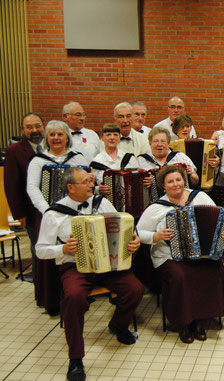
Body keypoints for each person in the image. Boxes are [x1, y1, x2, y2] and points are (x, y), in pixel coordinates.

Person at [35, 167, 144, 381]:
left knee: (135, 289)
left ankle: (118, 325)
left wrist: (134, 240)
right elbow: (40, 250)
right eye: (86, 182)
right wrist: (62, 249)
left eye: (91, 181)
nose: (92, 185)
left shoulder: (101, 203)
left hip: (107, 265)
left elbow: (123, 227)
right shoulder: (54, 214)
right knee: (74, 298)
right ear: (70, 187)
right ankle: (76, 358)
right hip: (75, 266)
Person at [136, 165, 224, 343]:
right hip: (169, 255)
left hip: (202, 254)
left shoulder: (200, 197)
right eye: (170, 182)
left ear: (184, 180)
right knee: (180, 276)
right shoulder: (156, 207)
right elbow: (139, 233)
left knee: (215, 269)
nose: (176, 184)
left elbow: (219, 220)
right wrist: (156, 236)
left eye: (178, 180)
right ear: (163, 186)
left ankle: (200, 320)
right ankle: (183, 323)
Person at [27, 120, 90, 315]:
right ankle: (53, 301)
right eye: (52, 135)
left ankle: (79, 294)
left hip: (76, 214)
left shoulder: (77, 158)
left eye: (60, 135)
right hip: (48, 214)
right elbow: (32, 188)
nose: (56, 138)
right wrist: (48, 211)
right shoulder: (38, 160)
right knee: (50, 254)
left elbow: (88, 181)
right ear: (47, 138)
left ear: (67, 138)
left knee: (76, 251)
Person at [4, 113, 45, 281]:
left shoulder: (52, 144)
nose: (34, 130)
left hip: (54, 208)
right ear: (22, 129)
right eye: (29, 127)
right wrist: (19, 214)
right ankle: (41, 282)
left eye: (37, 126)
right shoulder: (14, 151)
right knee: (38, 246)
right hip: (30, 210)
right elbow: (11, 186)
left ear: (43, 126)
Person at [90, 123, 140, 193]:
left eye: (115, 135)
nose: (112, 138)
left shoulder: (129, 158)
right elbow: (91, 186)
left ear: (119, 137)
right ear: (102, 138)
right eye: (108, 135)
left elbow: (138, 180)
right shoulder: (96, 162)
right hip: (105, 200)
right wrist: (98, 189)